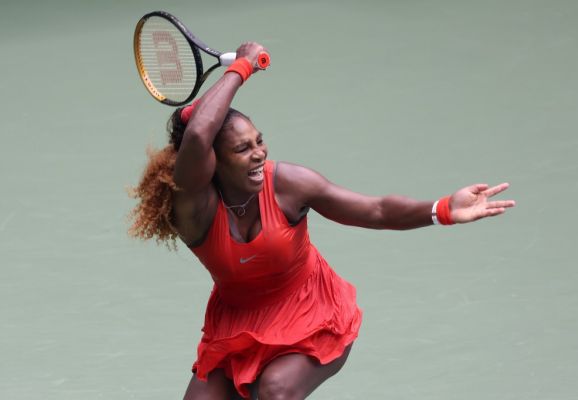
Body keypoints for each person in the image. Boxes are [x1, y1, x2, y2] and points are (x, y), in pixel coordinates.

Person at [128, 42, 515, 400]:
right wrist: (243, 67)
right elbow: (197, 138)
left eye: (259, 141)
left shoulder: (289, 185)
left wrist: (444, 208)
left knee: (275, 390)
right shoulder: (193, 209)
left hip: (312, 314)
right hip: (236, 326)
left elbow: (376, 210)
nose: (259, 153)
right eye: (243, 148)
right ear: (213, 163)